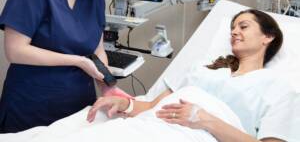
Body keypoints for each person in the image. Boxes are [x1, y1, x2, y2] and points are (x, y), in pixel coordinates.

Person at [86, 9, 297, 142]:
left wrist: (205, 120)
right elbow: (152, 108)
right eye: (232, 28)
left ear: (268, 37)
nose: (233, 32)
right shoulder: (201, 68)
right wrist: (125, 104)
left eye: (243, 26)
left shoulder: (279, 88)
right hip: (151, 127)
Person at [0, 0, 128, 133]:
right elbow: (15, 51)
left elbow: (97, 50)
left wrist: (106, 86)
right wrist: (77, 61)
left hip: (79, 110)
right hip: (31, 110)